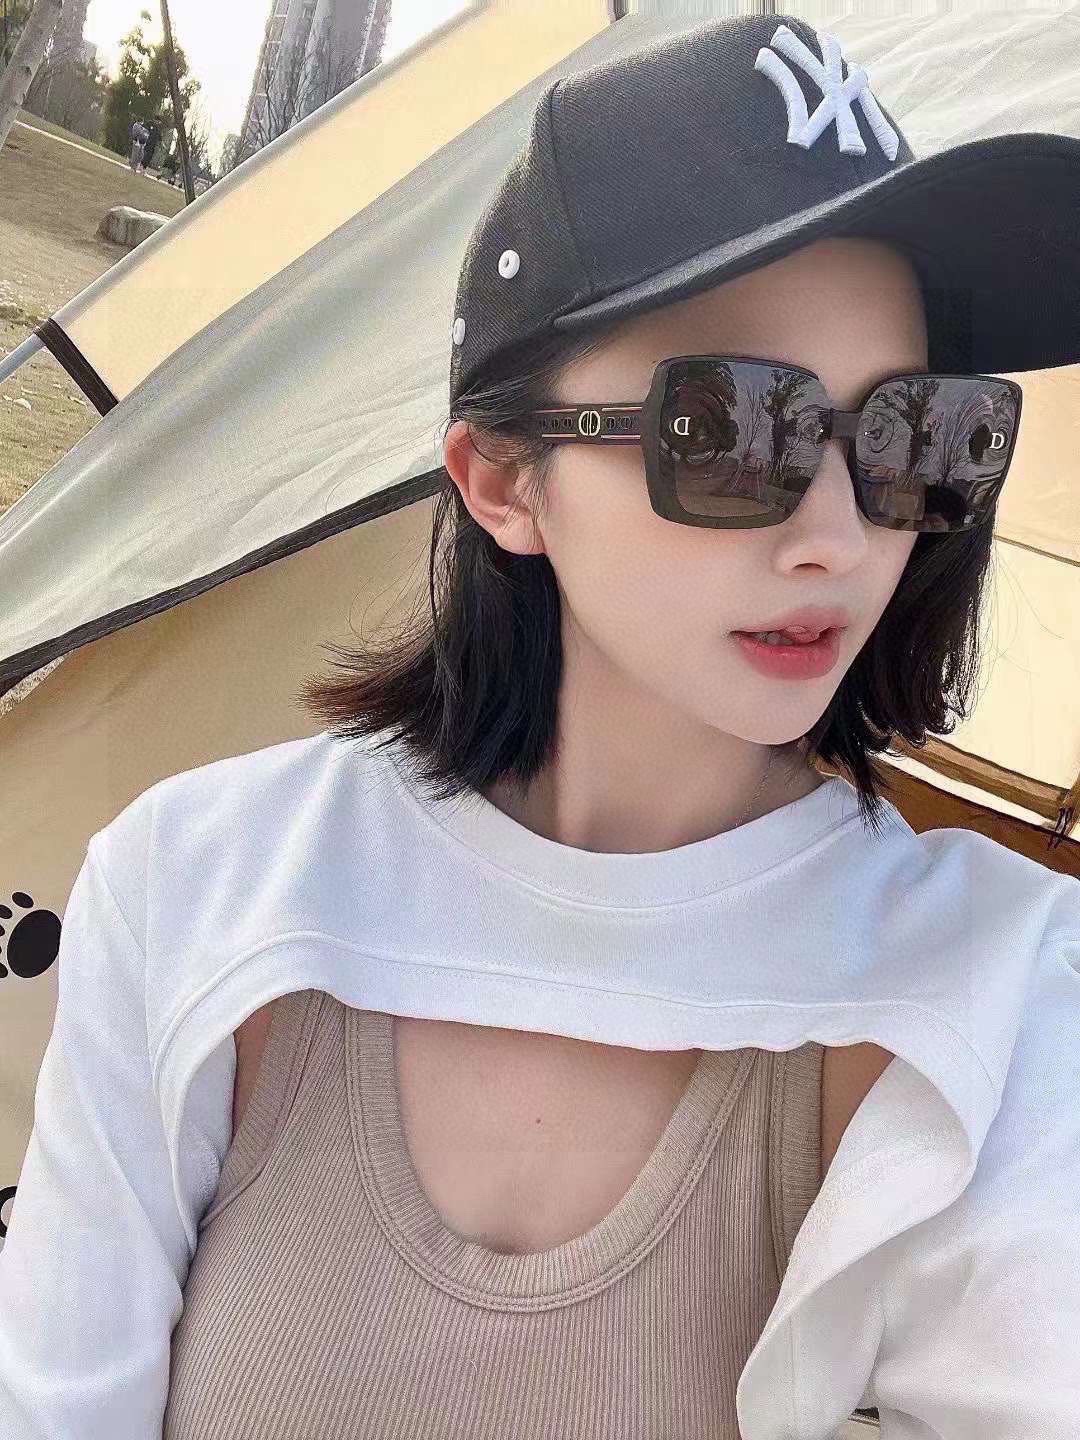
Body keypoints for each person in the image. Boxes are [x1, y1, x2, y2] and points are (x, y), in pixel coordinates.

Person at [1, 13, 1079, 1440]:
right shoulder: (198, 883)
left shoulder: (1017, 987)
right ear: (503, 481)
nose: (839, 535)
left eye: (913, 437)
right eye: (731, 429)